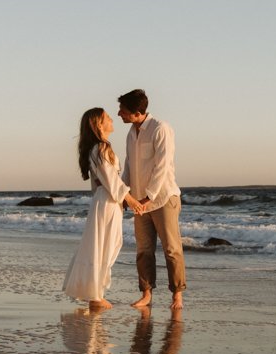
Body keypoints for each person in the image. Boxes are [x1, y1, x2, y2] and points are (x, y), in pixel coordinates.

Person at [63, 108, 146, 310]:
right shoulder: (100, 148)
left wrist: (123, 198)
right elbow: (111, 180)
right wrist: (132, 200)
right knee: (105, 245)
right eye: (107, 117)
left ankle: (95, 292)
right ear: (99, 124)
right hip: (107, 200)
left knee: (105, 244)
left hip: (106, 200)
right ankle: (95, 295)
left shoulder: (98, 148)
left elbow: (108, 181)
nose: (112, 119)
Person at [117, 89, 186, 310]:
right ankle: (147, 294)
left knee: (171, 249)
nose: (119, 114)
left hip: (164, 198)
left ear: (137, 112)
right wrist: (123, 194)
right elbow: (128, 165)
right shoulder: (130, 133)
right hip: (139, 201)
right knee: (143, 249)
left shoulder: (160, 128)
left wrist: (150, 196)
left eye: (123, 110)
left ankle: (177, 295)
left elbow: (162, 166)